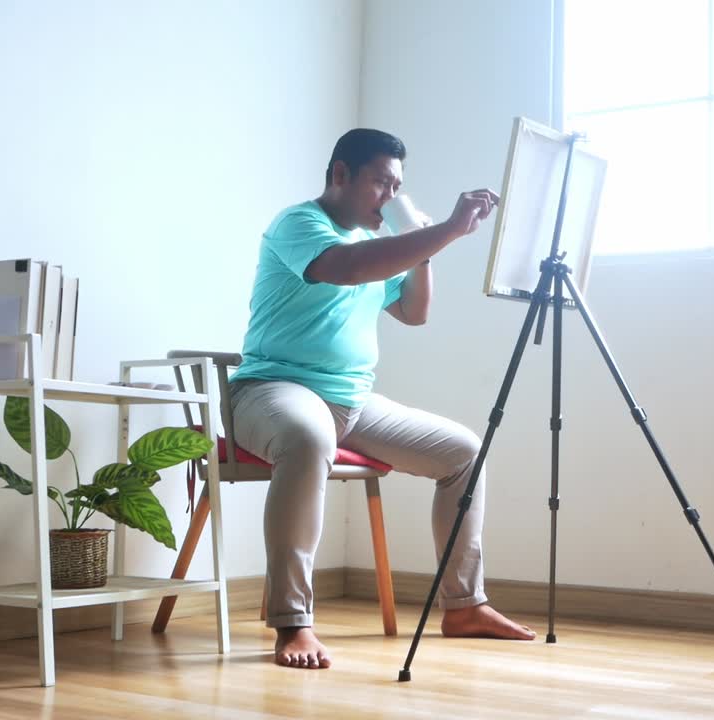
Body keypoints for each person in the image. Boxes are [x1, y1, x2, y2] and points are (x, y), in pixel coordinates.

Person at [229, 128, 535, 670]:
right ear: (341, 174)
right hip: (272, 391)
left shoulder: (382, 247)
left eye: (398, 187)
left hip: (352, 402)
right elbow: (347, 268)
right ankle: (292, 622)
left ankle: (465, 605)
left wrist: (423, 237)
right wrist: (442, 231)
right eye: (379, 184)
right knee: (307, 435)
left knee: (464, 452)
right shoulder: (300, 224)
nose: (389, 197)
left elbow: (416, 312)